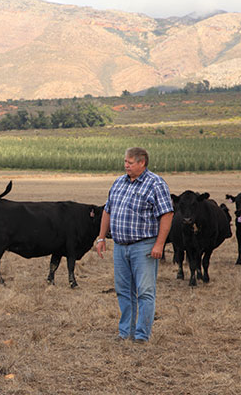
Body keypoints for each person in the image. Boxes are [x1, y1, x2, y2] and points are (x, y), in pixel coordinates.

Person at [96, 147, 173, 343]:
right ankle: (125, 332)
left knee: (145, 291)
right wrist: (101, 237)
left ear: (142, 163)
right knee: (123, 290)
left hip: (144, 246)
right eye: (125, 162)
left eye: (130, 162)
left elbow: (166, 214)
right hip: (121, 245)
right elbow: (107, 210)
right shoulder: (119, 182)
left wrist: (159, 245)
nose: (126, 166)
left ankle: (141, 335)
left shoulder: (155, 183)